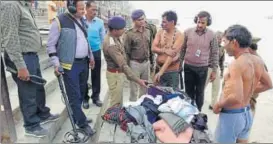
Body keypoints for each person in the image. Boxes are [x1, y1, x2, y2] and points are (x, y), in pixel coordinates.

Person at [1, 1, 59, 137]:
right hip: (22, 57)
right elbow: (10, 38)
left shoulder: (24, 5)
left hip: (31, 55)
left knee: (37, 88)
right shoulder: (11, 5)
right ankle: (31, 125)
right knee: (28, 92)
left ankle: (42, 114)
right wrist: (20, 66)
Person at [213, 24, 272, 143]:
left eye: (226, 42)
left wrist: (219, 104)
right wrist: (247, 91)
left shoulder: (236, 64)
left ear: (234, 42)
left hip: (232, 116)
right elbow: (268, 84)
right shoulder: (257, 60)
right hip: (247, 113)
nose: (224, 47)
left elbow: (235, 97)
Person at [47, 0, 95, 136]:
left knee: (81, 92)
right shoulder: (59, 21)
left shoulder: (82, 21)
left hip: (83, 63)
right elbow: (51, 46)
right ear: (72, 7)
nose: (83, 11)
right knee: (74, 96)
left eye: (84, 8)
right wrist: (56, 63)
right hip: (69, 66)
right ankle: (82, 123)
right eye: (80, 9)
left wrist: (90, 55)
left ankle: (77, 116)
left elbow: (85, 40)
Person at [103, 16, 147, 107]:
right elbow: (123, 65)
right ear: (115, 30)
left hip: (118, 74)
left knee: (119, 100)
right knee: (116, 102)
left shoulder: (116, 37)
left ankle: (116, 117)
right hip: (114, 75)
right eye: (122, 29)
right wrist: (138, 80)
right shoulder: (111, 44)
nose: (124, 30)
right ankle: (112, 119)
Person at [181, 11, 219, 111]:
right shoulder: (187, 32)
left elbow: (215, 53)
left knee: (200, 92)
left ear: (207, 23)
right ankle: (189, 112)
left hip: (202, 69)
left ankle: (198, 112)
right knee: (188, 92)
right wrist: (180, 64)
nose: (200, 25)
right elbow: (182, 49)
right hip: (188, 66)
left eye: (203, 23)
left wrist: (214, 70)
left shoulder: (212, 35)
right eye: (198, 22)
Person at [123, 9, 151, 101]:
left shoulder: (148, 31)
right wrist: (127, 68)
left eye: (143, 19)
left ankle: (142, 106)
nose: (142, 21)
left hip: (146, 63)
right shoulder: (129, 34)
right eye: (139, 20)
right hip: (134, 63)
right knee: (134, 89)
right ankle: (133, 107)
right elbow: (126, 52)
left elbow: (149, 48)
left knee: (145, 87)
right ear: (134, 21)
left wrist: (152, 62)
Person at [152, 10, 184, 89]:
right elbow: (153, 48)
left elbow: (171, 56)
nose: (162, 24)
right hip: (158, 68)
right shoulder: (160, 32)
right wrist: (165, 50)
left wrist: (161, 72)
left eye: (164, 22)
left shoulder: (179, 35)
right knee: (157, 96)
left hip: (171, 72)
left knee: (172, 98)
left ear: (172, 22)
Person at [82, 1, 105, 108]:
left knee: (96, 75)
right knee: (83, 76)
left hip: (96, 51)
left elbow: (103, 38)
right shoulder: (80, 20)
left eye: (96, 10)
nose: (95, 12)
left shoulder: (100, 22)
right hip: (82, 52)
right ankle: (84, 98)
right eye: (93, 9)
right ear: (86, 8)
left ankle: (96, 97)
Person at [205, 31, 225, 110]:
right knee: (202, 87)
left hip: (216, 68)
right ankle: (197, 101)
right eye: (218, 38)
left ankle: (213, 104)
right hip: (207, 68)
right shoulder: (208, 46)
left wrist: (222, 72)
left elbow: (221, 61)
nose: (219, 40)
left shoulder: (222, 48)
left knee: (216, 87)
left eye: (221, 39)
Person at [248, 37, 268, 116]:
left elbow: (267, 83)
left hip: (249, 98)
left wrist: (252, 91)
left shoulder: (256, 60)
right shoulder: (254, 58)